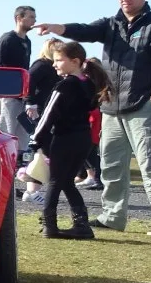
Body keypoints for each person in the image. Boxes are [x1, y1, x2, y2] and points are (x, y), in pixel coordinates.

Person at [35, 0, 151, 236]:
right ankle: (112, 217)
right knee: (112, 165)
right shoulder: (111, 25)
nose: (125, 0)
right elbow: (83, 30)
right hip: (112, 108)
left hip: (143, 106)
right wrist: (54, 27)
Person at [30, 41, 112, 238]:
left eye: (58, 60)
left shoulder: (64, 85)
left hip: (64, 139)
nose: (54, 64)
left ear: (74, 62)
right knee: (67, 181)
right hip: (82, 139)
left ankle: (49, 224)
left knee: (55, 181)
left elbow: (48, 115)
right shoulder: (89, 84)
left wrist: (36, 140)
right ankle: (81, 224)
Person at [0, 6, 36, 160]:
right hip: (7, 94)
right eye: (30, 17)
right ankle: (1, 160)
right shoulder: (8, 39)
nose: (34, 21)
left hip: (21, 94)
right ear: (19, 18)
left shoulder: (27, 42)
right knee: (6, 130)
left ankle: (17, 162)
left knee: (21, 132)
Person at [19, 38, 61, 202]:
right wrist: (30, 102)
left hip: (49, 112)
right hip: (42, 112)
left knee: (44, 151)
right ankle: (32, 191)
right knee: (43, 151)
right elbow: (28, 79)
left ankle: (32, 189)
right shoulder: (42, 64)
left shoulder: (52, 67)